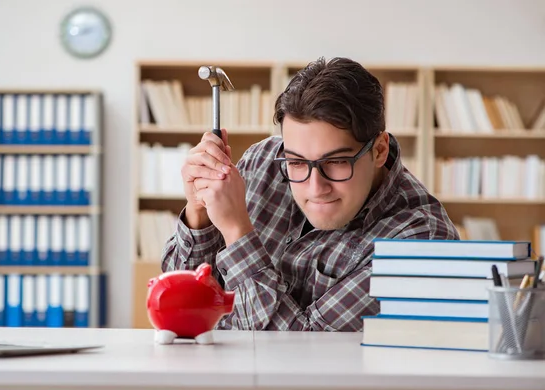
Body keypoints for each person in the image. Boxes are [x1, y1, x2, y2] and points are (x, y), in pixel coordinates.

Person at [160, 56, 459, 331]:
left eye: (337, 162)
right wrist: (198, 213)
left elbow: (301, 358)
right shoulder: (261, 162)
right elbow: (181, 307)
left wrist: (237, 230)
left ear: (379, 150)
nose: (315, 188)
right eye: (296, 162)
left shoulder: (422, 241)